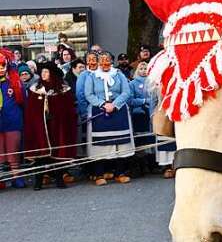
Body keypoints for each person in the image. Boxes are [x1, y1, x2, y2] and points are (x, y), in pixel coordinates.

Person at [23, 61, 76, 190]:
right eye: (42, 72)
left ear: (52, 73)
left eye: (46, 72)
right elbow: (31, 111)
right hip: (41, 127)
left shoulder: (62, 89)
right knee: (41, 154)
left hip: (57, 126)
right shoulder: (35, 89)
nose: (43, 74)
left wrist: (56, 114)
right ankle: (38, 181)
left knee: (58, 152)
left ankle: (59, 179)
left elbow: (67, 110)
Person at [83, 51, 134, 185]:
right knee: (100, 145)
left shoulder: (119, 74)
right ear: (99, 62)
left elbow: (126, 91)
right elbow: (88, 94)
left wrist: (115, 104)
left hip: (118, 110)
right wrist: (102, 104)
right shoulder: (92, 76)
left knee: (120, 143)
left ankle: (119, 173)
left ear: (111, 61)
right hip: (99, 110)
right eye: (102, 60)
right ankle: (99, 174)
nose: (105, 63)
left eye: (108, 60)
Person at [0, 49, 26, 189]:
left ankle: (17, 177)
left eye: (3, 66)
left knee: (13, 151)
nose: (1, 70)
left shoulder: (14, 81)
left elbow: (23, 100)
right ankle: (2, 179)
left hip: (12, 121)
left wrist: (16, 89)